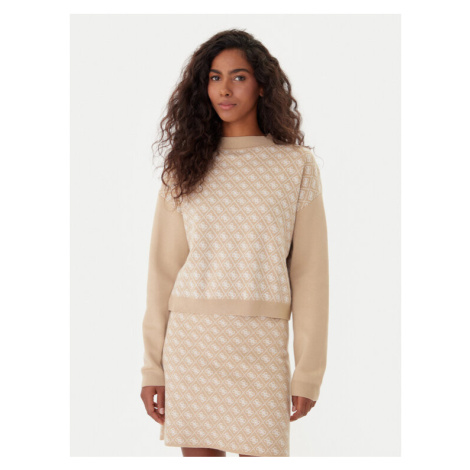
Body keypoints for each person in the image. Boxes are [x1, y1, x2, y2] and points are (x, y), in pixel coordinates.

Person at [140, 29, 329, 457]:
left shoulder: (295, 165)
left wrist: (308, 371)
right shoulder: (184, 166)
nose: (224, 89)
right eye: (214, 77)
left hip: (261, 344)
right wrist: (153, 367)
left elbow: (310, 274)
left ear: (262, 85)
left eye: (239, 77)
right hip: (192, 344)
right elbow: (162, 271)